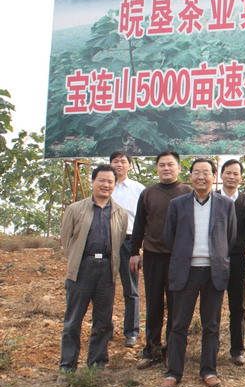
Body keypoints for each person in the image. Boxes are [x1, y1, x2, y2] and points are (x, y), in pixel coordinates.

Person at [160, 158, 236, 387]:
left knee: (211, 325)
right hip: (186, 271)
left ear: (214, 176)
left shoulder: (225, 204)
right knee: (178, 324)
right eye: (196, 172)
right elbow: (169, 237)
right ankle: (173, 372)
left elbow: (230, 237)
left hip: (214, 271)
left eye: (206, 172)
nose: (201, 177)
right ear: (190, 176)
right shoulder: (177, 204)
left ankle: (209, 370)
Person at [59, 165, 128, 372]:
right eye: (102, 180)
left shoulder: (120, 213)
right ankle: (67, 366)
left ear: (114, 185)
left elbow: (119, 240)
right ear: (93, 182)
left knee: (103, 320)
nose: (106, 185)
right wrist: (77, 260)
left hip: (107, 269)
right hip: (82, 268)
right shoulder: (75, 209)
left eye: (110, 182)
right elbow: (66, 240)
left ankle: (97, 364)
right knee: (73, 320)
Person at [129, 150, 192, 369]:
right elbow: (139, 224)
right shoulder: (148, 193)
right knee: (154, 304)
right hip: (153, 255)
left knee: (176, 305)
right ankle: (151, 350)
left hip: (179, 258)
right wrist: (134, 251)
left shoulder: (188, 192)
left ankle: (172, 351)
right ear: (157, 168)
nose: (166, 168)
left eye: (170, 165)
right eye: (162, 165)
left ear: (179, 168)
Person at [217, 159, 245, 366]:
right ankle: (211, 346)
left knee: (238, 305)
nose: (231, 177)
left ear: (241, 177)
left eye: (235, 173)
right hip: (214, 258)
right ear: (221, 175)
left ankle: (237, 349)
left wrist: (237, 245)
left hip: (238, 258)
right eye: (228, 173)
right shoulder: (213, 198)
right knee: (213, 304)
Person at [109, 150, 145, 348]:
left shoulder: (138, 189)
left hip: (128, 241)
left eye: (123, 161)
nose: (119, 165)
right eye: (115, 161)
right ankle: (104, 328)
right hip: (105, 241)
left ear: (129, 166)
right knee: (103, 288)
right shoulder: (105, 186)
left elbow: (144, 219)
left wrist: (138, 249)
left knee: (131, 289)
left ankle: (131, 332)